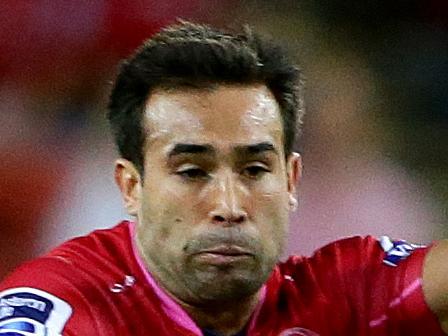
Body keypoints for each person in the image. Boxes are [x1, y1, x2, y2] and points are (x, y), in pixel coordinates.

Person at [0, 21, 447, 336]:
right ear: (131, 188)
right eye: (193, 172)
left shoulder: (339, 298)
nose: (229, 206)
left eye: (255, 170)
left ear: (291, 181)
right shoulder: (64, 306)